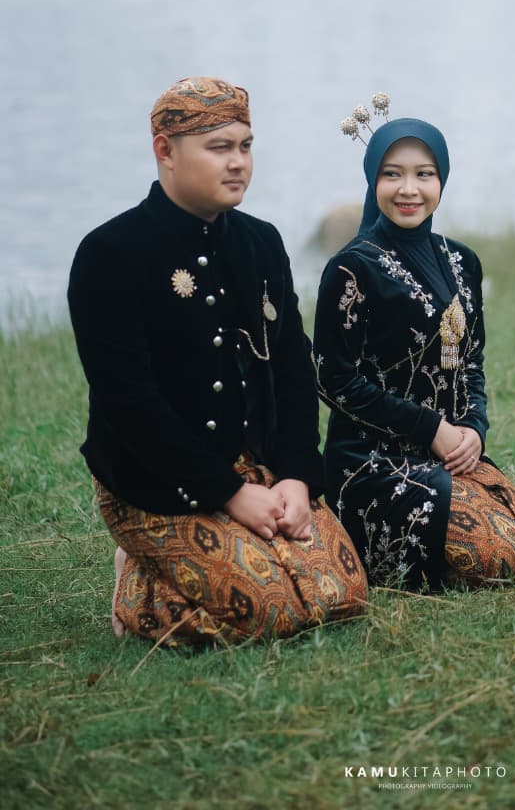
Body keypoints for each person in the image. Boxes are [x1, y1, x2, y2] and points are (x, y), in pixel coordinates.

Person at [68, 77, 366, 646]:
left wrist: (297, 476)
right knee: (274, 612)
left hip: (259, 468)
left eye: (245, 146)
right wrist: (228, 493)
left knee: (343, 594)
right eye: (219, 147)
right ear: (165, 150)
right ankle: (137, 584)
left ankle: (209, 555)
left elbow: (293, 369)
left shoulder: (261, 242)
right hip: (157, 480)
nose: (238, 163)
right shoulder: (110, 254)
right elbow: (128, 403)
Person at [313, 101, 515, 590]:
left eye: (424, 174)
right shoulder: (351, 269)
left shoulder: (463, 261)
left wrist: (474, 430)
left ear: (441, 179)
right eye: (392, 174)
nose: (409, 189)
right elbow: (333, 380)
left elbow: (471, 363)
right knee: (500, 555)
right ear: (373, 180)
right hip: (373, 462)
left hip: (450, 454)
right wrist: (431, 429)